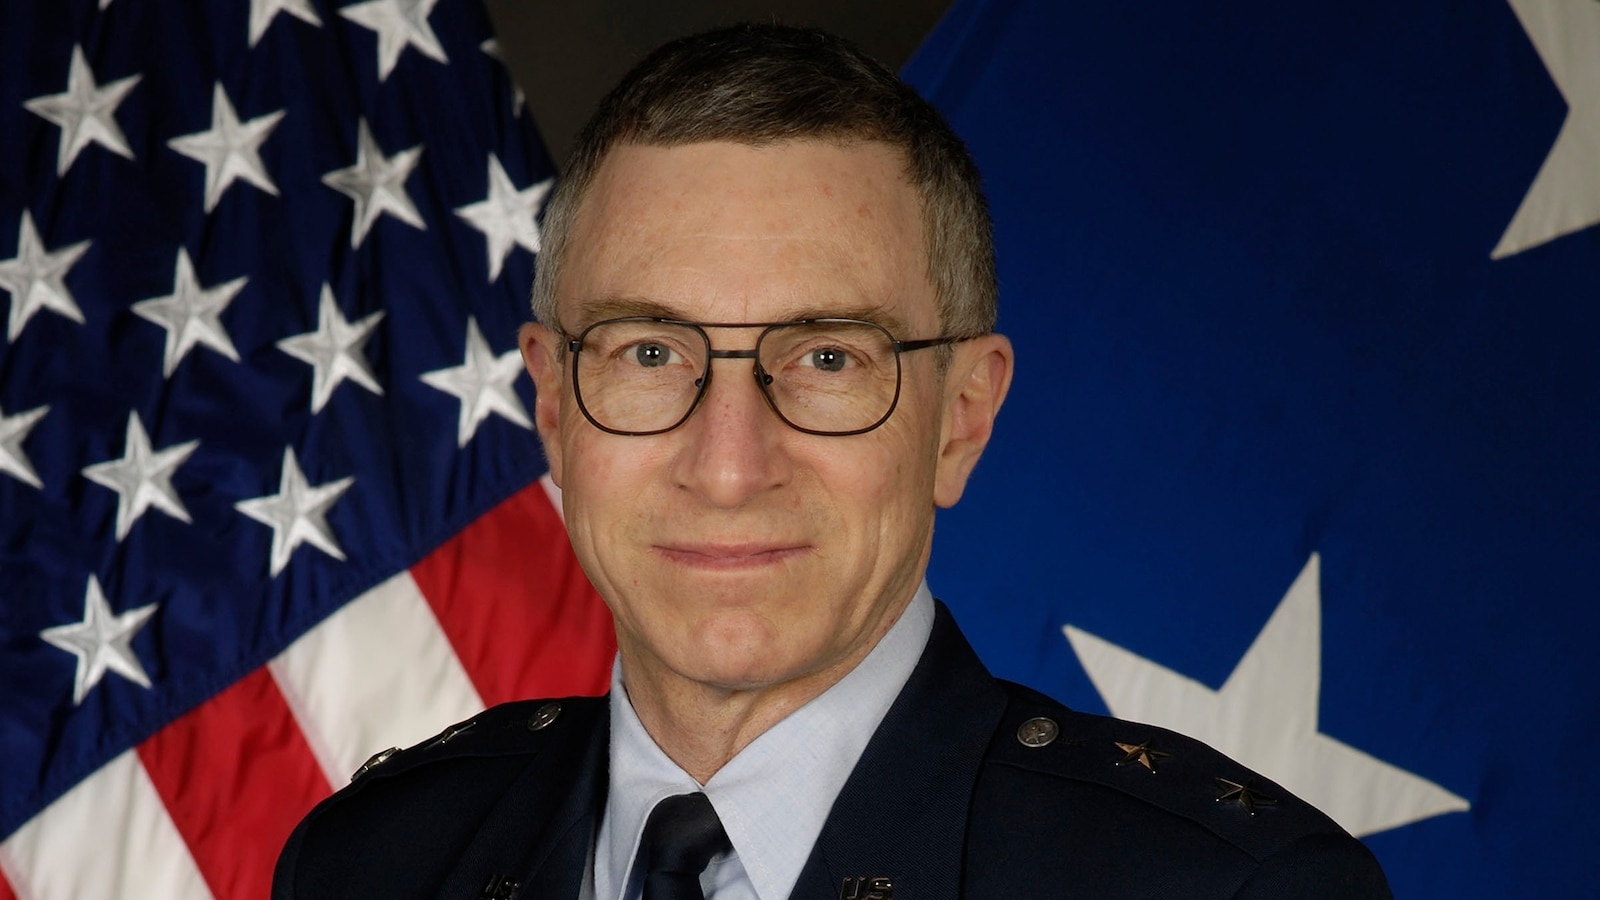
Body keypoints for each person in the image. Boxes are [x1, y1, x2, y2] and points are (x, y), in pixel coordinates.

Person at [273, 23, 1391, 900]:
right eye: (650, 351)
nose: (728, 467)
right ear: (556, 406)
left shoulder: (1222, 888)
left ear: (961, 418)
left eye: (826, 358)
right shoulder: (370, 865)